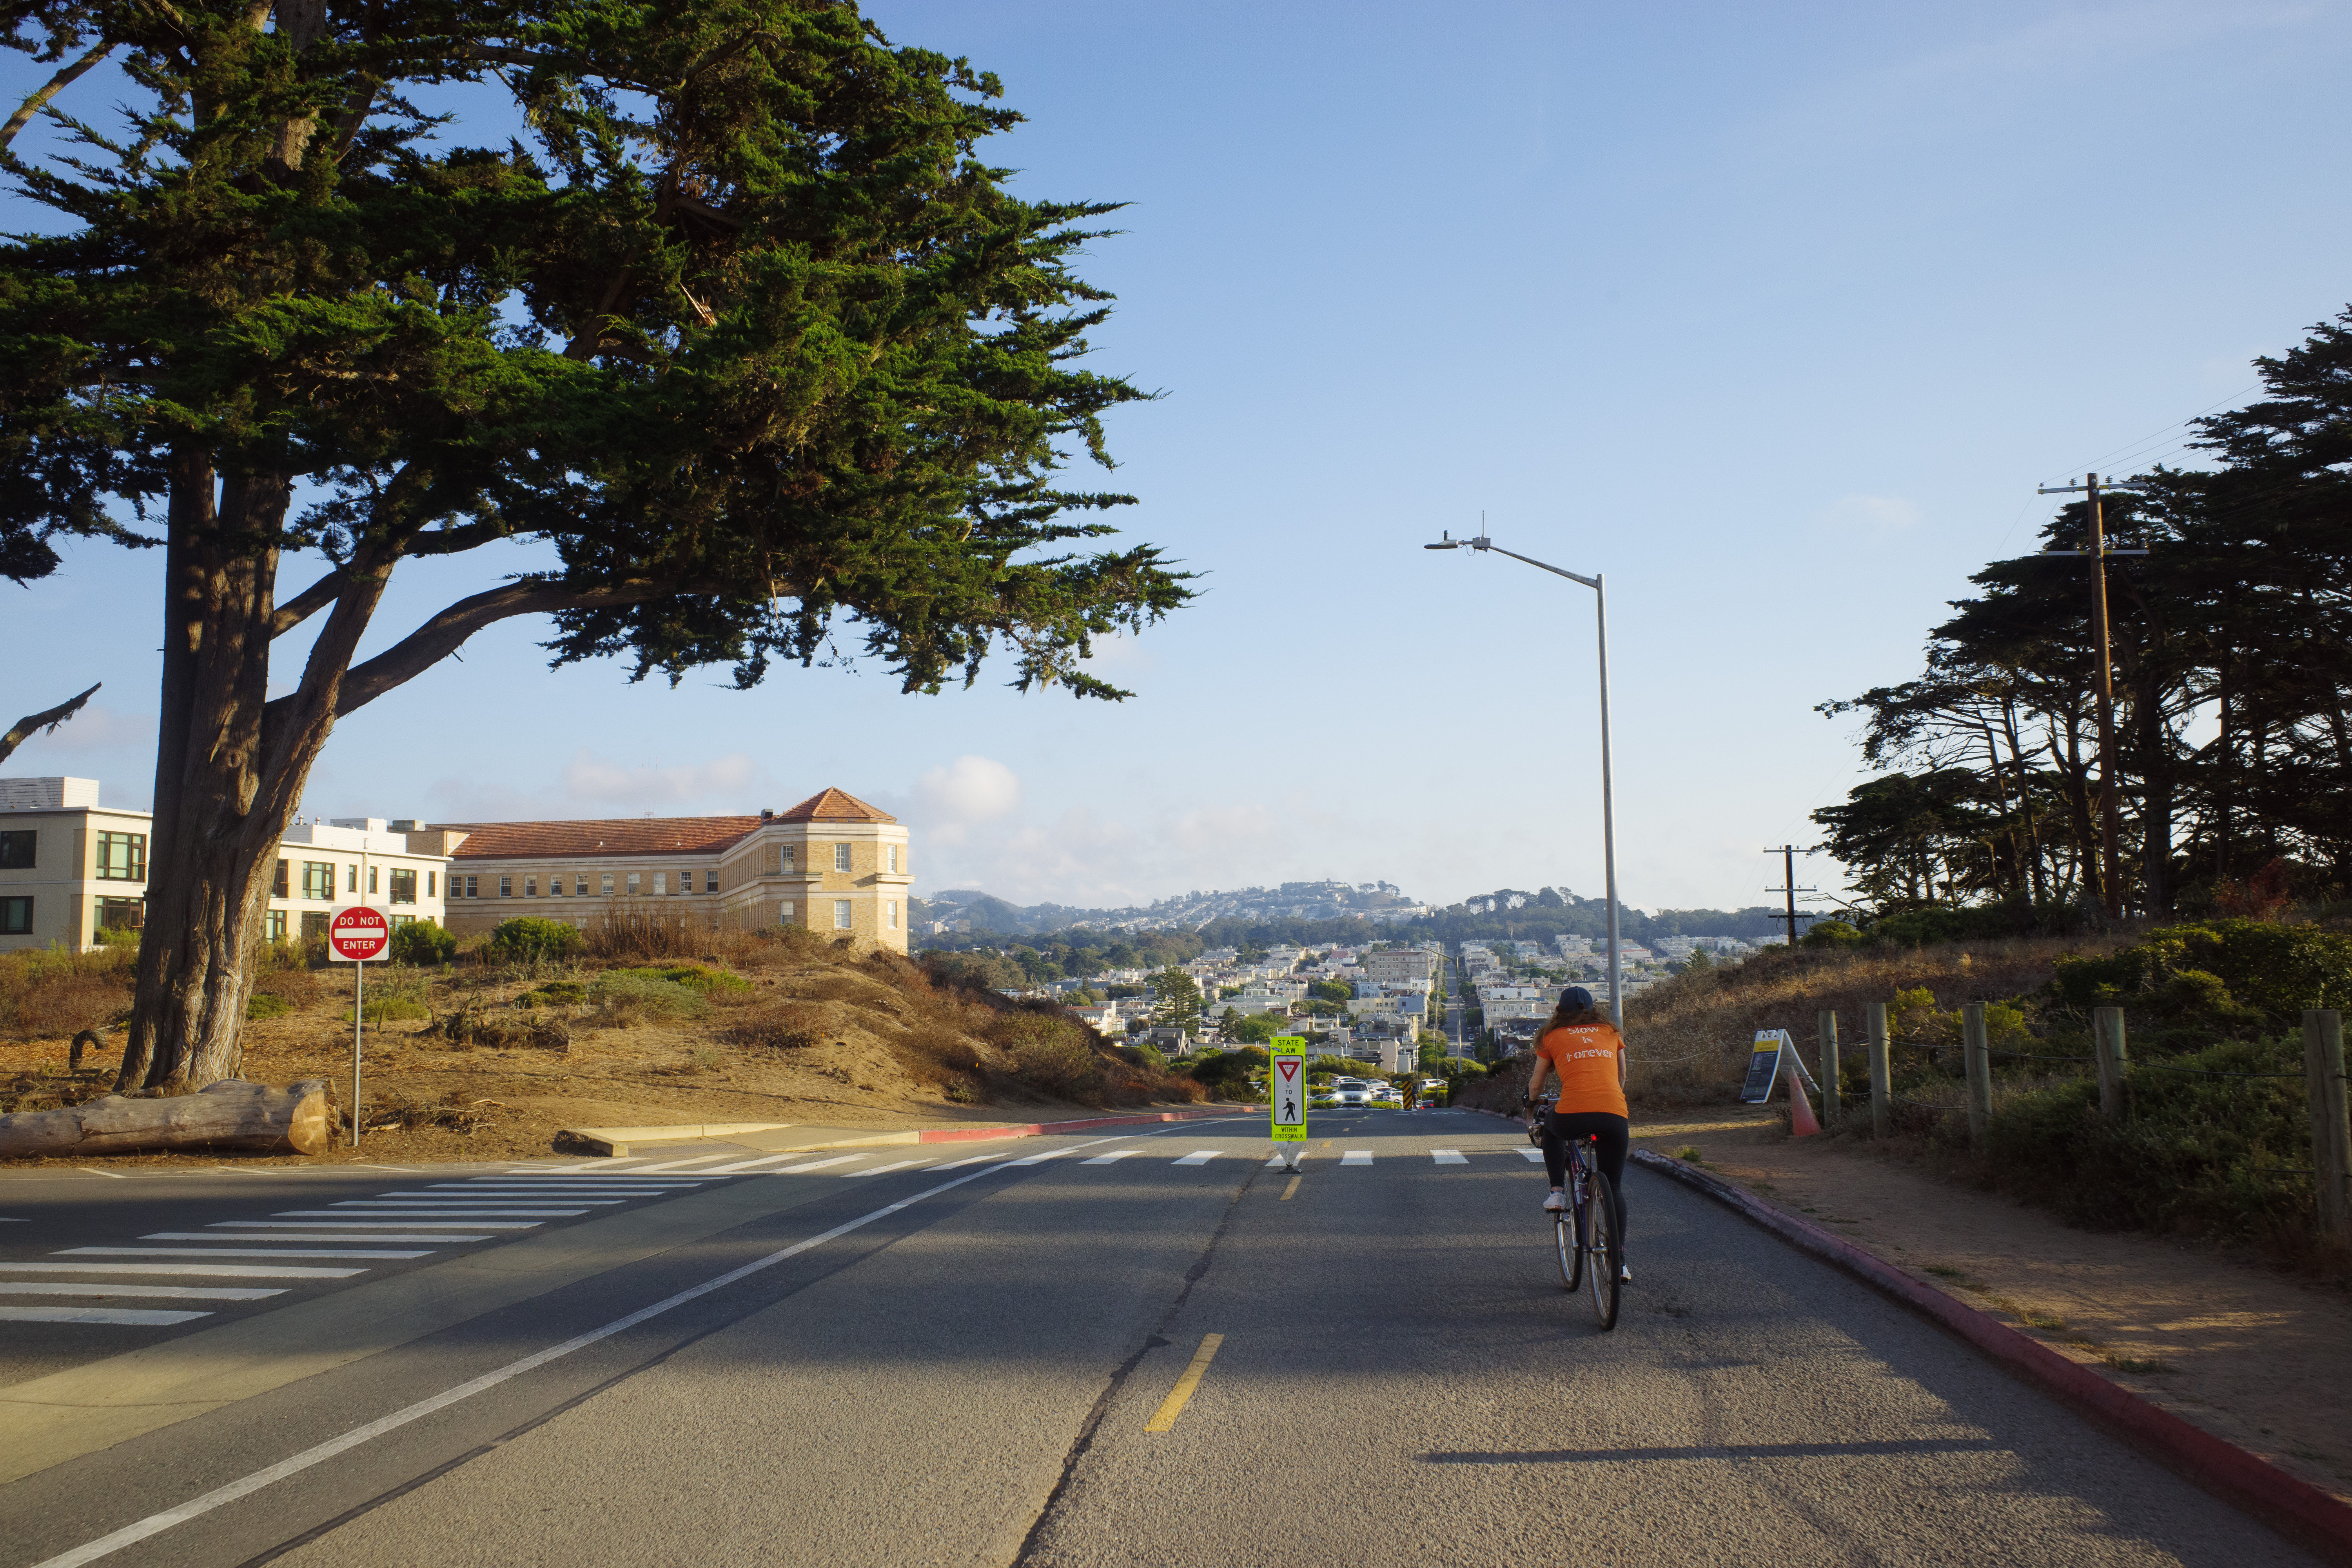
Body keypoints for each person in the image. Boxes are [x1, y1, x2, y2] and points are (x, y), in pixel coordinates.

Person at [1523, 985, 1631, 1283]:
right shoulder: (1612, 1032)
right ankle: (1619, 1262)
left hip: (1573, 1114)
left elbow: (1537, 1082)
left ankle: (1557, 1192)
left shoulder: (1551, 1036)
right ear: (1593, 1008)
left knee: (1551, 1126)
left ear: (1560, 1009)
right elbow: (1621, 1077)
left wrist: (1531, 1108)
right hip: (1614, 1114)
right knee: (1616, 1186)